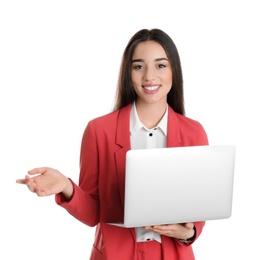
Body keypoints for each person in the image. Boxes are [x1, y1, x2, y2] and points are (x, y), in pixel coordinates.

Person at [16, 28, 209, 260]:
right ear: (128, 73)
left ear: (174, 71)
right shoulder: (99, 131)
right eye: (139, 66)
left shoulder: (194, 133)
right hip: (114, 254)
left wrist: (188, 232)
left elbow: (199, 208)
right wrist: (66, 187)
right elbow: (92, 214)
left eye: (160, 65)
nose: (149, 76)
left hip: (172, 254)